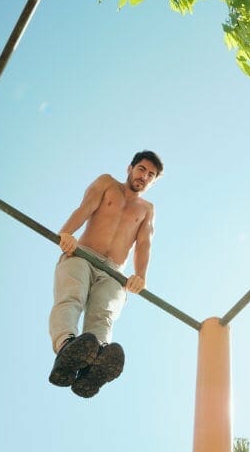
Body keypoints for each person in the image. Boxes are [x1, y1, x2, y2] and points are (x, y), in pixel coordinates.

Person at [47, 150, 163, 398]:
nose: (144, 176)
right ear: (129, 168)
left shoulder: (147, 209)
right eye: (142, 169)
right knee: (71, 298)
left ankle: (92, 364)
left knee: (103, 316)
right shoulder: (107, 183)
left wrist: (140, 275)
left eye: (151, 175)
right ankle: (67, 347)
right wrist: (66, 234)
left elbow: (144, 243)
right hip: (83, 254)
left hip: (113, 272)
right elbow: (86, 207)